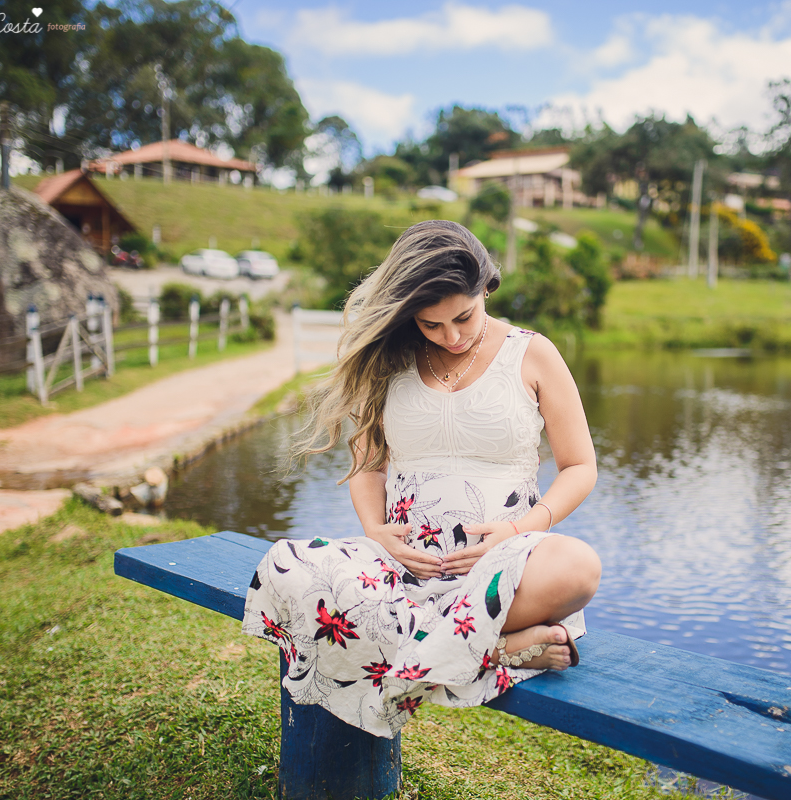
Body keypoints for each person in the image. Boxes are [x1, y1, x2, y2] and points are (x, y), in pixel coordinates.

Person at [242, 220, 601, 738]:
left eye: (463, 317)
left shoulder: (533, 353)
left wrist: (521, 529)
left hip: (498, 565)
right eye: (431, 325)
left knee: (579, 567)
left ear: (486, 289)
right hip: (401, 568)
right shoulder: (389, 359)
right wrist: (374, 528)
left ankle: (443, 643)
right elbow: (369, 462)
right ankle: (501, 647)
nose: (452, 337)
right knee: (285, 568)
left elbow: (580, 467)